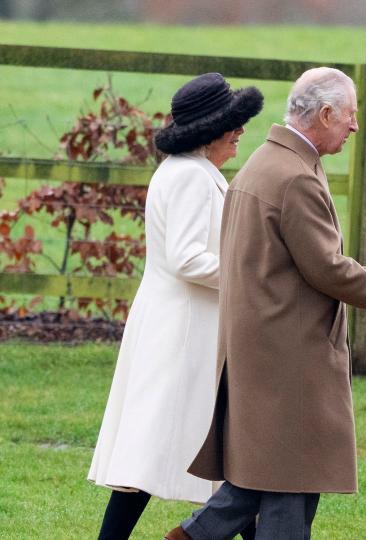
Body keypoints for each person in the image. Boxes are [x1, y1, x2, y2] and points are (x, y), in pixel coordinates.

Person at [163, 67, 366, 540]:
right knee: (292, 481)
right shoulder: (294, 178)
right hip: (289, 354)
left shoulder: (265, 164)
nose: (353, 127)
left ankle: (190, 536)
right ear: (325, 114)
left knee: (267, 481)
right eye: (349, 115)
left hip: (265, 347)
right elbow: (327, 268)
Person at [88, 73, 263, 539]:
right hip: (183, 334)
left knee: (204, 451)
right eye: (233, 124)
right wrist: (249, 279)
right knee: (159, 452)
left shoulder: (189, 171)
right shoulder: (188, 176)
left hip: (182, 325)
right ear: (209, 130)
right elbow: (186, 258)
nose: (240, 132)